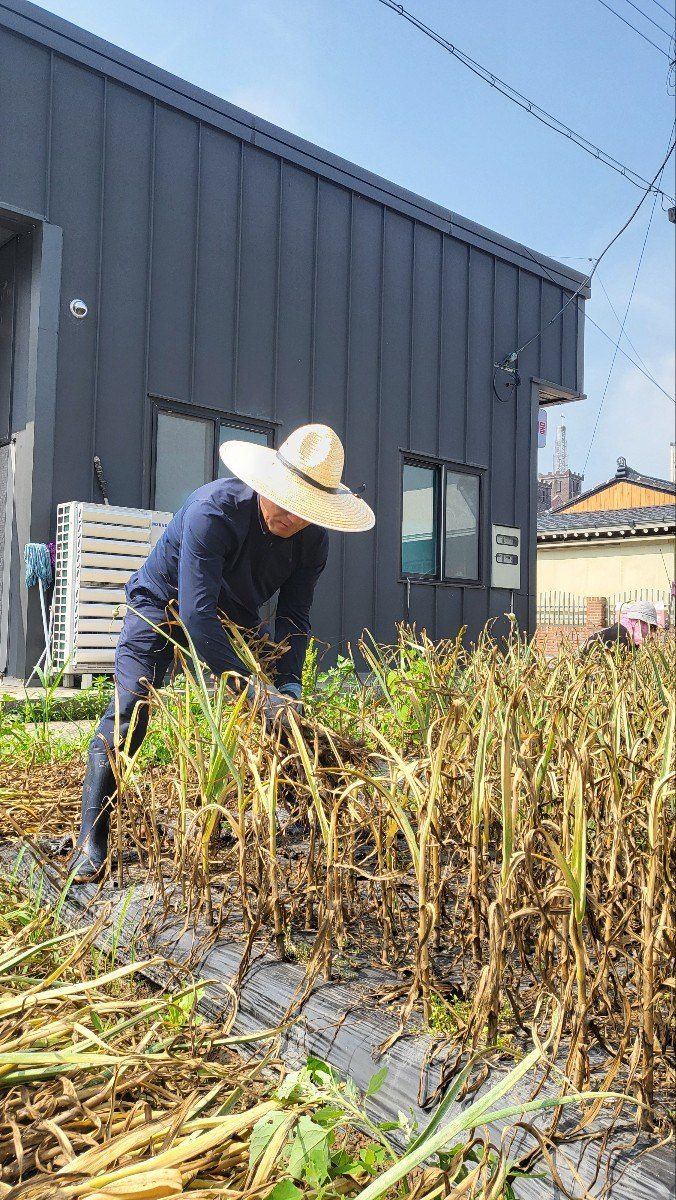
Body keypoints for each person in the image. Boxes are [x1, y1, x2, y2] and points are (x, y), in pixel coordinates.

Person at [67, 423, 375, 883]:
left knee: (280, 714)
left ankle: (310, 817)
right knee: (132, 708)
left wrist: (286, 686)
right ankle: (91, 838)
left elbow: (293, 617)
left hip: (234, 614)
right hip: (166, 604)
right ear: (266, 483)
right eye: (286, 501)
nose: (292, 517)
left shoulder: (312, 542)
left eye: (305, 510)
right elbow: (196, 613)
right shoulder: (215, 511)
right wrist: (248, 688)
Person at [582, 599, 660, 653]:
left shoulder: (621, 629)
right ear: (642, 623)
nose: (648, 633)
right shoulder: (623, 637)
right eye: (650, 627)